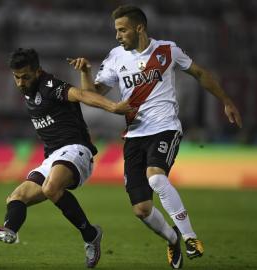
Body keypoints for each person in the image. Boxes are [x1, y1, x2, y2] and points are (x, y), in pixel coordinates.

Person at [68, 5, 242, 269]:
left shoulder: (167, 50)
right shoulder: (115, 58)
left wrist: (226, 100)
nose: (117, 36)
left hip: (165, 128)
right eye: (116, 30)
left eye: (122, 30)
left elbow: (200, 73)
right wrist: (84, 73)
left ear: (139, 28)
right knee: (141, 210)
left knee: (157, 176)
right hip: (134, 135)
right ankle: (172, 240)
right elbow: (94, 94)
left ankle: (190, 237)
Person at [0, 48, 133, 268]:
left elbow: (81, 95)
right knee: (16, 197)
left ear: (37, 72)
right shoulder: (28, 90)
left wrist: (113, 107)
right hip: (52, 157)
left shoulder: (49, 86)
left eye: (25, 77)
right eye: (16, 77)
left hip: (77, 150)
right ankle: (9, 230)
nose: (20, 82)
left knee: (50, 189)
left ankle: (89, 235)